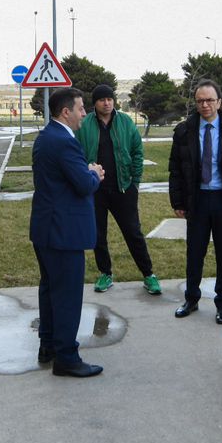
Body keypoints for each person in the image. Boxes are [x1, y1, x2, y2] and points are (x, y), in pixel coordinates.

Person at [31, 86, 108, 377]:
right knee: (66, 296)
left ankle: (49, 345)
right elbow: (84, 185)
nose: (85, 113)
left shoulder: (47, 136)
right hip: (63, 232)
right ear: (66, 112)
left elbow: (62, 178)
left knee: (50, 290)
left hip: (47, 229)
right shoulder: (64, 142)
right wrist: (94, 173)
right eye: (80, 108)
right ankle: (66, 357)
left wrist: (83, 171)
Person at [169, 79, 222, 324]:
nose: (205, 105)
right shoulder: (184, 132)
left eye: (209, 100)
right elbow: (175, 169)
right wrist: (177, 201)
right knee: (195, 251)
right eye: (200, 101)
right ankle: (191, 298)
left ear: (219, 102)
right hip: (197, 200)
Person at [77, 84, 160, 295]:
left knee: (133, 232)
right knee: (98, 234)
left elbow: (137, 151)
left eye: (109, 99)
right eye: (102, 100)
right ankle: (105, 273)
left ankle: (148, 274)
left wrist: (135, 182)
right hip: (95, 189)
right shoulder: (85, 124)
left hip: (123, 187)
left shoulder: (125, 122)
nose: (106, 103)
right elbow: (77, 153)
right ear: (95, 103)